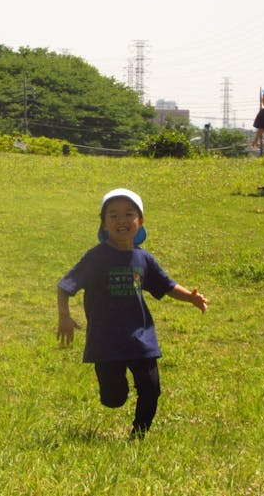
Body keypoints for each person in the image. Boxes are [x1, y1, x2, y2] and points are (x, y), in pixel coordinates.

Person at [56, 188, 208, 439]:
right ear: (104, 223)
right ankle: (116, 394)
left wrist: (190, 298)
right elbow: (65, 286)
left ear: (141, 221)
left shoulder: (143, 258)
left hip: (140, 337)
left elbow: (167, 285)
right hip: (105, 340)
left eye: (129, 214)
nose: (121, 220)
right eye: (113, 215)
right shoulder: (96, 257)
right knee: (113, 399)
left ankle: (138, 436)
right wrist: (64, 316)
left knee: (151, 389)